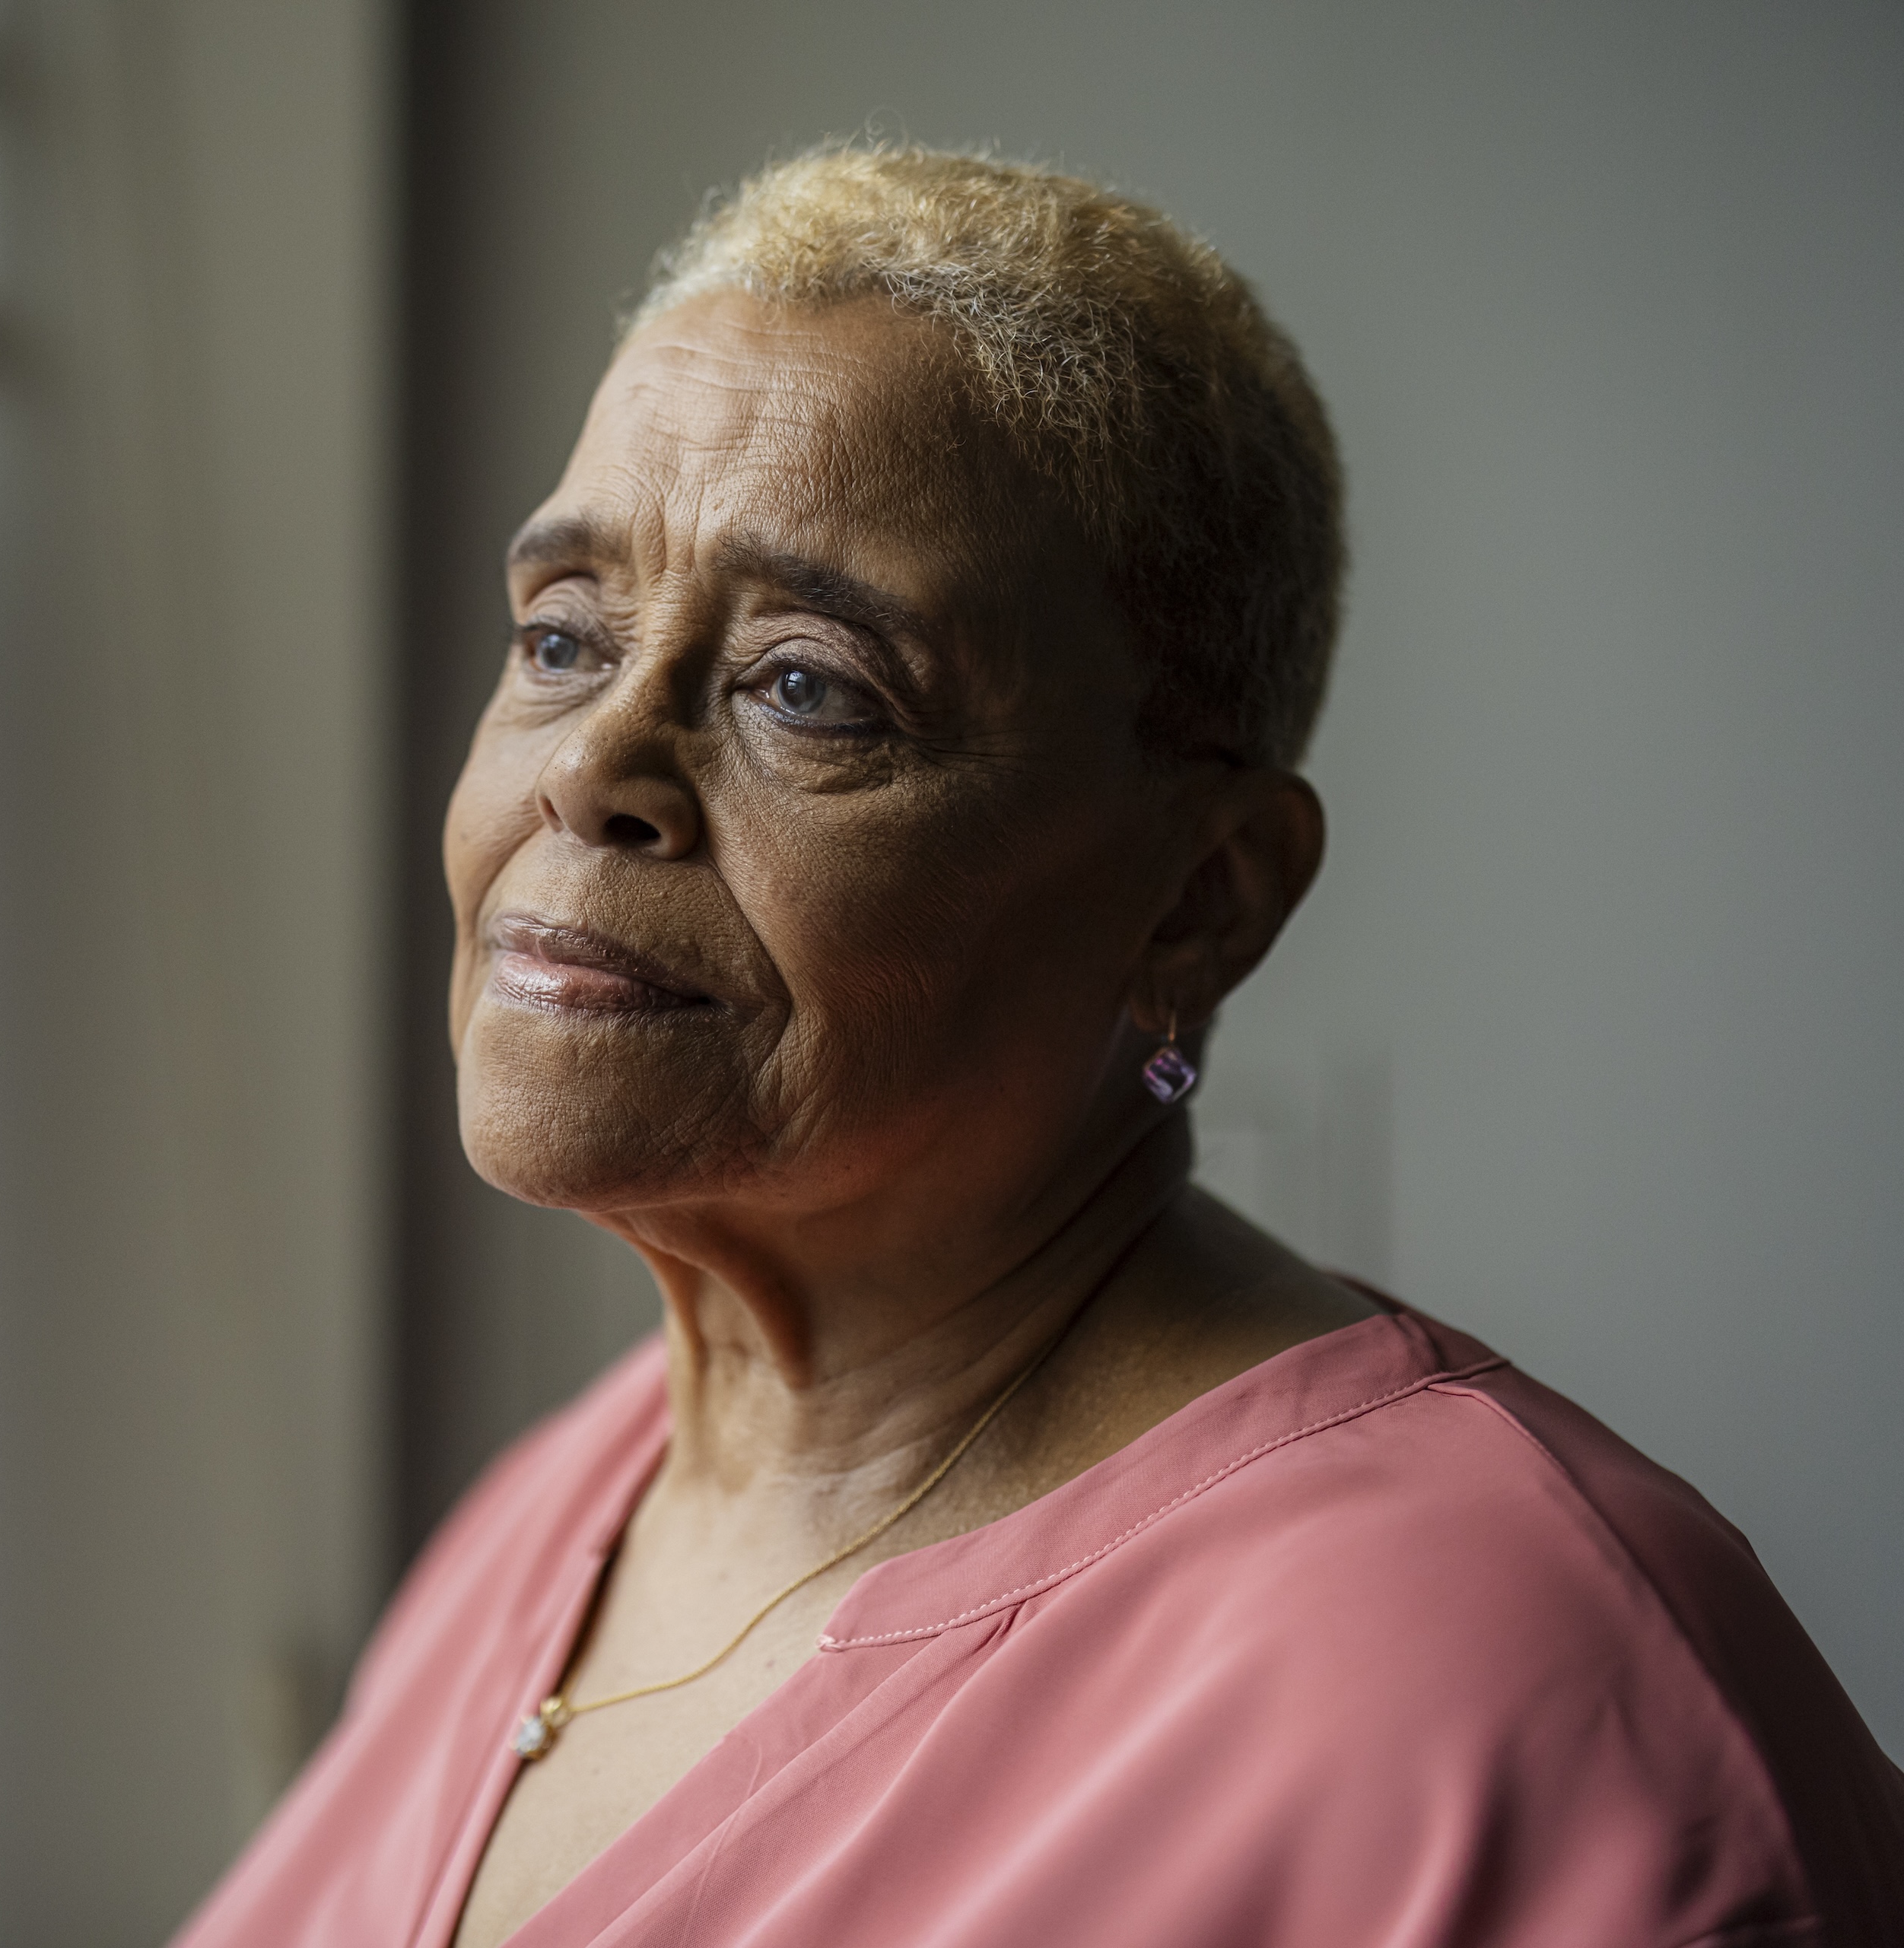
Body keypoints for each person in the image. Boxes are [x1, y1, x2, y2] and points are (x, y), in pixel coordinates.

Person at [171, 145, 1904, 1948]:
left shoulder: (1511, 1684)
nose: (590, 772)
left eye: (807, 686)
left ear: (1202, 902)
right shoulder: (559, 1511)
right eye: (561, 637)